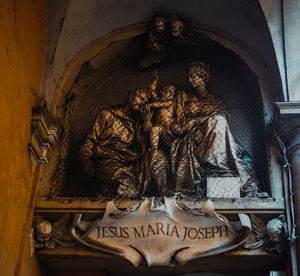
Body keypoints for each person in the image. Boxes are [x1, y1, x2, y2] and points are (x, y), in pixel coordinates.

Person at [170, 62, 259, 197]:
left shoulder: (216, 101)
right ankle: (217, 166)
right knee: (216, 120)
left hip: (214, 132)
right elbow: (178, 122)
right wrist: (191, 124)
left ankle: (218, 167)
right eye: (189, 76)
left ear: (204, 78)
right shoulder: (183, 96)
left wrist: (198, 119)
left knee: (218, 120)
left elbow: (222, 118)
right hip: (193, 134)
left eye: (194, 76)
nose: (190, 79)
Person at [79, 88, 151, 198]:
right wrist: (86, 159)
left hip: (127, 162)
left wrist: (147, 124)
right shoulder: (107, 115)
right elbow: (90, 139)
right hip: (106, 160)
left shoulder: (137, 126)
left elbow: (144, 147)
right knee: (129, 183)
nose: (142, 103)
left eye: (145, 102)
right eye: (140, 98)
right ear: (131, 96)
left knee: (143, 173)